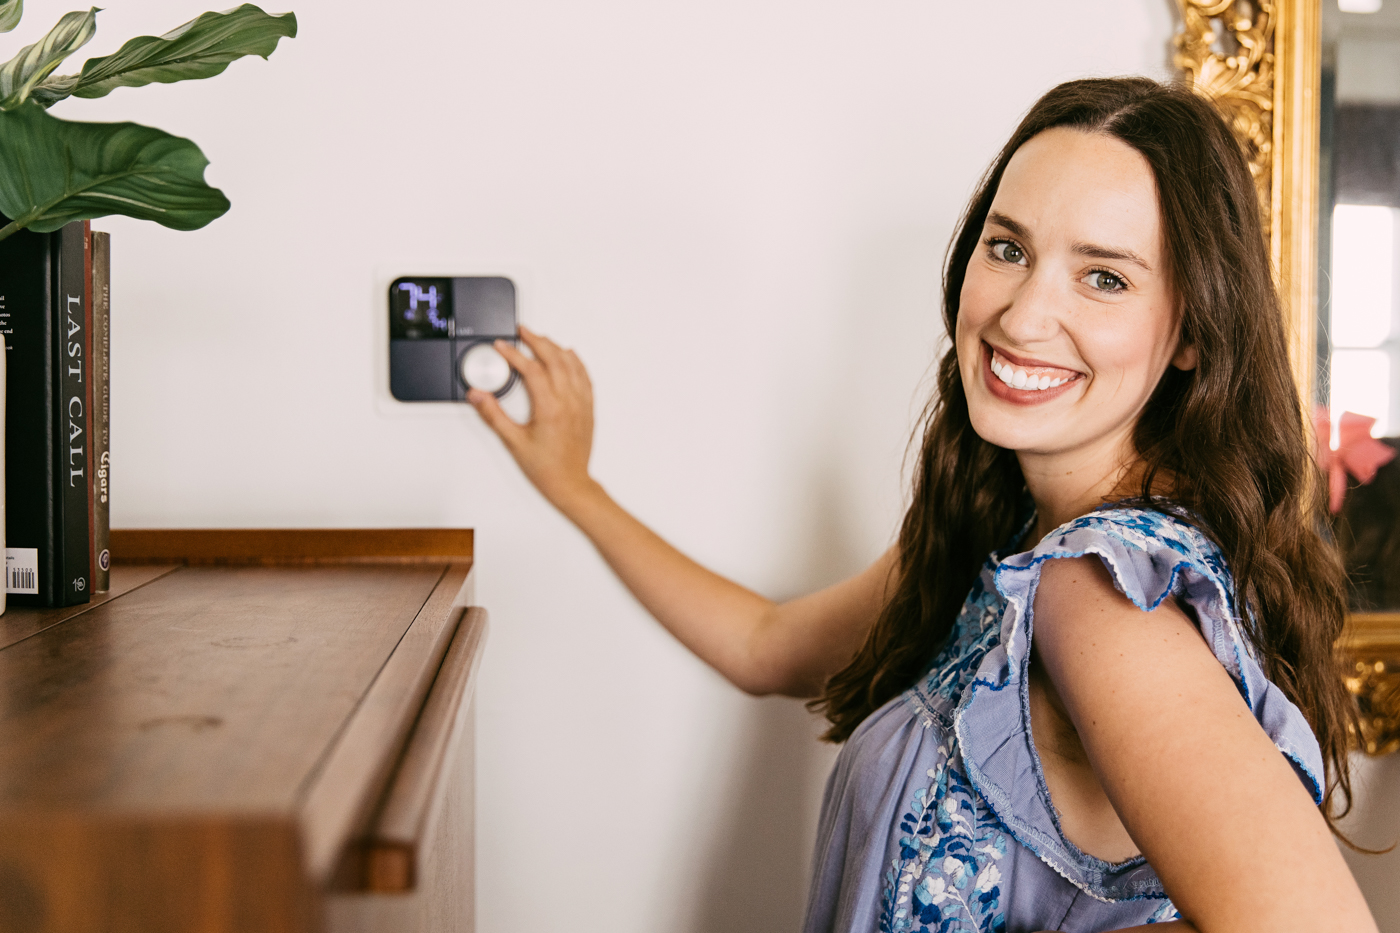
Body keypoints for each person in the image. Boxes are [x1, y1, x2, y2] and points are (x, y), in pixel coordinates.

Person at [467, 77, 1379, 933]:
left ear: (1190, 333)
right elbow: (766, 644)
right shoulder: (1018, 538)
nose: (1022, 316)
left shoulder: (1096, 594)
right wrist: (574, 487)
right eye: (1009, 248)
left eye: (1104, 277)